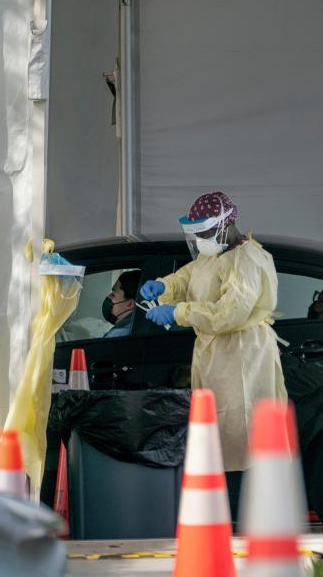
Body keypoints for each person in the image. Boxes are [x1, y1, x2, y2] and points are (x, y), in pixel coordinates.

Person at [140, 191, 287, 508]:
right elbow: (188, 276)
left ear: (223, 228)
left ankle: (245, 511)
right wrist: (165, 286)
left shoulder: (246, 258)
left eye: (203, 233)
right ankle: (224, 507)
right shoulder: (212, 255)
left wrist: (178, 313)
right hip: (215, 354)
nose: (200, 241)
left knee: (243, 432)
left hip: (243, 354)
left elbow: (229, 313)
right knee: (217, 432)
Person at [102, 270, 140, 338]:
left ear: (130, 304)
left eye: (113, 294)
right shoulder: (137, 326)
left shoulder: (117, 334)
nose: (108, 297)